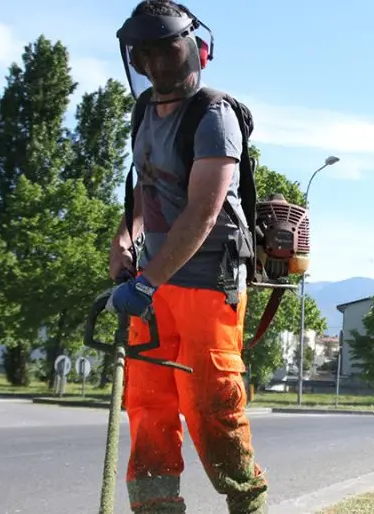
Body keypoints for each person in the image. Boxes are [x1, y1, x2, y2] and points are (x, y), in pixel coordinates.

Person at [106, 1, 267, 512]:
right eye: (145, 56)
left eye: (167, 53)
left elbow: (202, 212)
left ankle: (247, 503)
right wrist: (124, 239)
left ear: (197, 50)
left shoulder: (213, 115)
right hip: (154, 286)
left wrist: (146, 281)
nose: (156, 67)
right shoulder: (143, 112)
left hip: (207, 284)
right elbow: (147, 189)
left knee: (213, 408)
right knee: (148, 406)